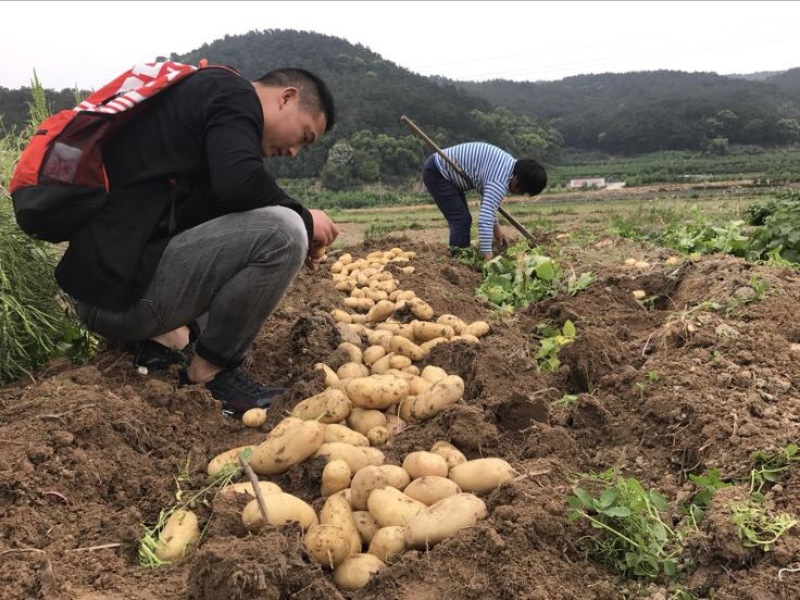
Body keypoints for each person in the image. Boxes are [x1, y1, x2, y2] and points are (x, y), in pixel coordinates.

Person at [57, 65, 339, 417]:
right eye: (304, 136)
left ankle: (160, 343)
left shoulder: (204, 107)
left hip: (106, 297)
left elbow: (225, 209)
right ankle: (210, 372)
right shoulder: (233, 95)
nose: (294, 151)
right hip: (119, 302)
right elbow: (239, 183)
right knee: (285, 231)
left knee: (261, 225)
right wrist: (304, 218)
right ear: (287, 97)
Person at [421, 142, 547, 260]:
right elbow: (485, 219)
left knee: (464, 219)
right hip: (438, 172)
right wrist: (488, 257)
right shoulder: (500, 180)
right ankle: (458, 261)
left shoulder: (508, 167)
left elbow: (490, 205)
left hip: (447, 174)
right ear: (519, 181)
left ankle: (463, 257)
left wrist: (496, 230)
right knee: (460, 219)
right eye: (523, 191)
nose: (519, 194)